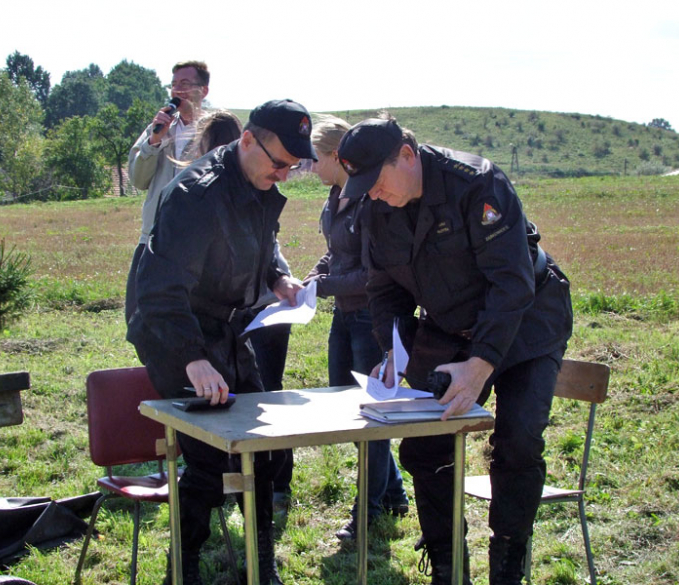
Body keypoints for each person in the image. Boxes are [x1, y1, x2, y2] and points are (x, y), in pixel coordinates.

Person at [336, 115, 573, 585]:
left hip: (525, 322)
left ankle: (508, 562)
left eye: (377, 181)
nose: (374, 193)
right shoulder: (376, 206)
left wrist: (479, 366)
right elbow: (384, 289)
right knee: (425, 449)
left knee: (518, 439)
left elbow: (510, 284)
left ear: (406, 156)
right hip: (448, 328)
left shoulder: (476, 184)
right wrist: (394, 353)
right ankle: (448, 566)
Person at [127, 99, 319, 585]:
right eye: (278, 162)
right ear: (248, 140)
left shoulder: (257, 180)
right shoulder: (197, 195)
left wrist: (278, 279)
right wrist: (193, 361)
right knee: (207, 450)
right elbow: (160, 291)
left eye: (293, 167)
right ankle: (184, 568)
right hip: (171, 325)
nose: (283, 174)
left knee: (265, 445)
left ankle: (261, 565)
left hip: (225, 324)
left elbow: (257, 248)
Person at [303, 114, 409, 540]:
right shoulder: (334, 196)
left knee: (371, 420)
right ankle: (395, 495)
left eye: (314, 159)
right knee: (349, 412)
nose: (309, 167)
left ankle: (364, 514)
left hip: (369, 318)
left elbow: (372, 273)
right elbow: (334, 253)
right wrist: (311, 278)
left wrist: (322, 286)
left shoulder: (370, 200)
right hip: (342, 317)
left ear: (335, 156)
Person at [124, 60, 210, 323]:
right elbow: (138, 180)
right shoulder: (159, 129)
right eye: (173, 85)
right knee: (137, 315)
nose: (177, 91)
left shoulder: (215, 129)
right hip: (154, 238)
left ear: (203, 91)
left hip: (199, 243)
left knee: (193, 317)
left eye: (185, 84)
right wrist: (153, 142)